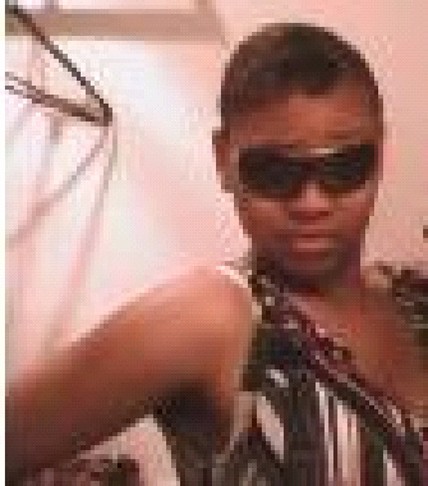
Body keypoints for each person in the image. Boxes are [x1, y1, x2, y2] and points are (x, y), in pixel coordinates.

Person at [6, 22, 426, 485]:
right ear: (223, 159)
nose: (312, 203)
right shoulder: (214, 317)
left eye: (344, 165)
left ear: (380, 154)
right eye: (273, 170)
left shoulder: (412, 295)